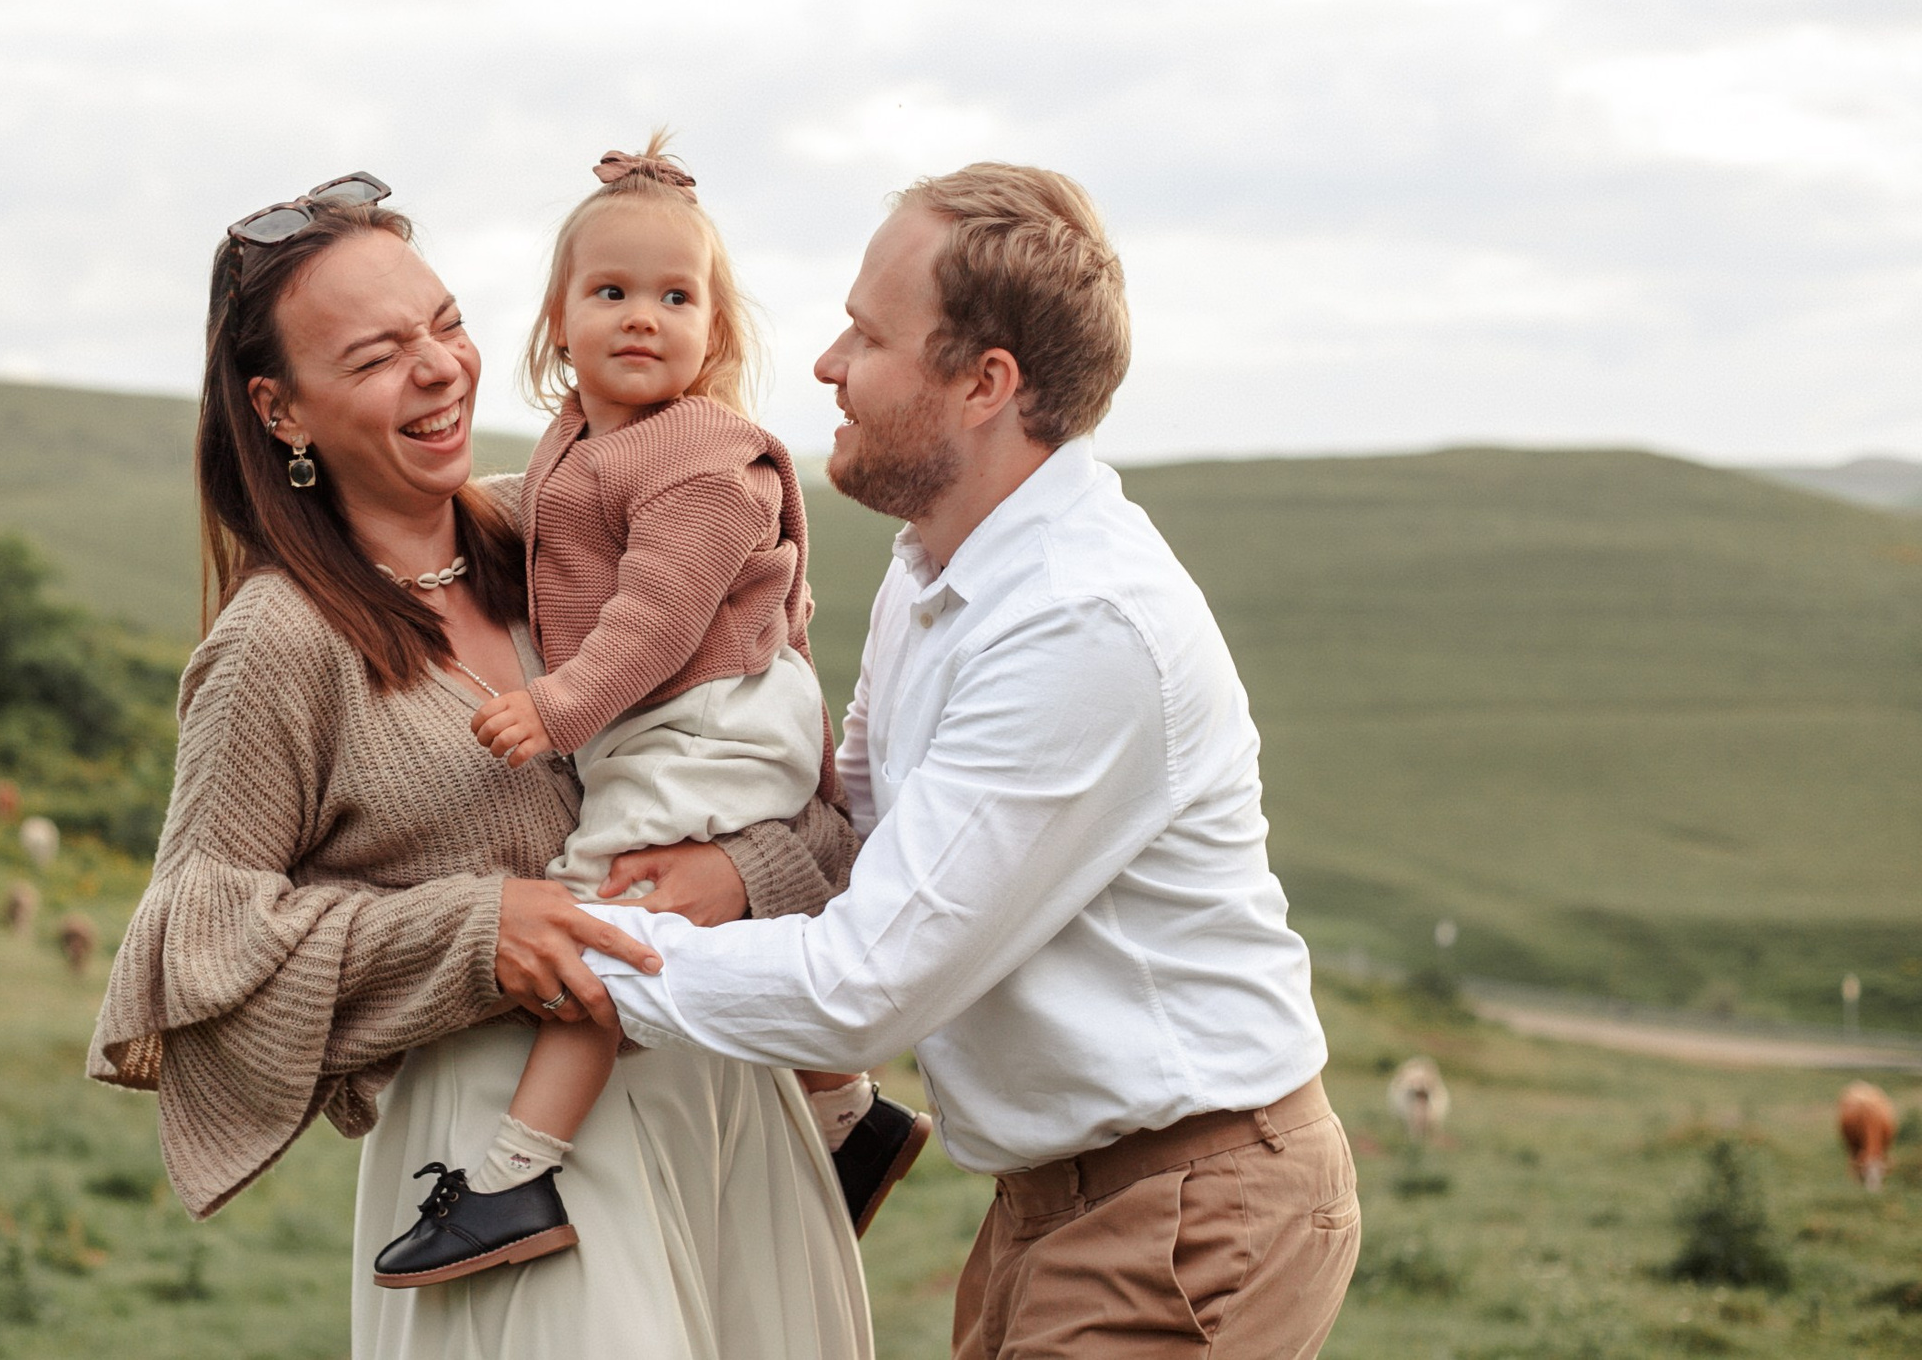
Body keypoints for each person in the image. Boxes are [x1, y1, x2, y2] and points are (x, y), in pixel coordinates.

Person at [578, 164, 1361, 1359]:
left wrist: (565, 950)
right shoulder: (930, 565)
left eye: (868, 335)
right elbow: (864, 828)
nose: (828, 365)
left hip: (1184, 1209)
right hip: (1054, 1199)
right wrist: (736, 874)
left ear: (984, 384)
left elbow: (866, 984)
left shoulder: (1080, 623)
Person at [86, 174, 872, 1360]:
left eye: (444, 325)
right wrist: (476, 931)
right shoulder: (280, 643)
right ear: (281, 410)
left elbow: (800, 795)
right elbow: (196, 942)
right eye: (374, 356)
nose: (440, 368)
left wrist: (738, 872)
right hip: (506, 1172)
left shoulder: (569, 539)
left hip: (728, 1109)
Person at [372, 138, 930, 1289]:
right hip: (682, 714)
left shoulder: (701, 461)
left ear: (715, 334)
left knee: (604, 907)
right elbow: (544, 520)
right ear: (556, 325)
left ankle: (516, 1174)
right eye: (611, 293)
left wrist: (558, 708)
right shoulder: (585, 438)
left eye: (676, 298)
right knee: (654, 893)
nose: (642, 317)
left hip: (713, 706)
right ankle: (848, 1116)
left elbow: (658, 614)